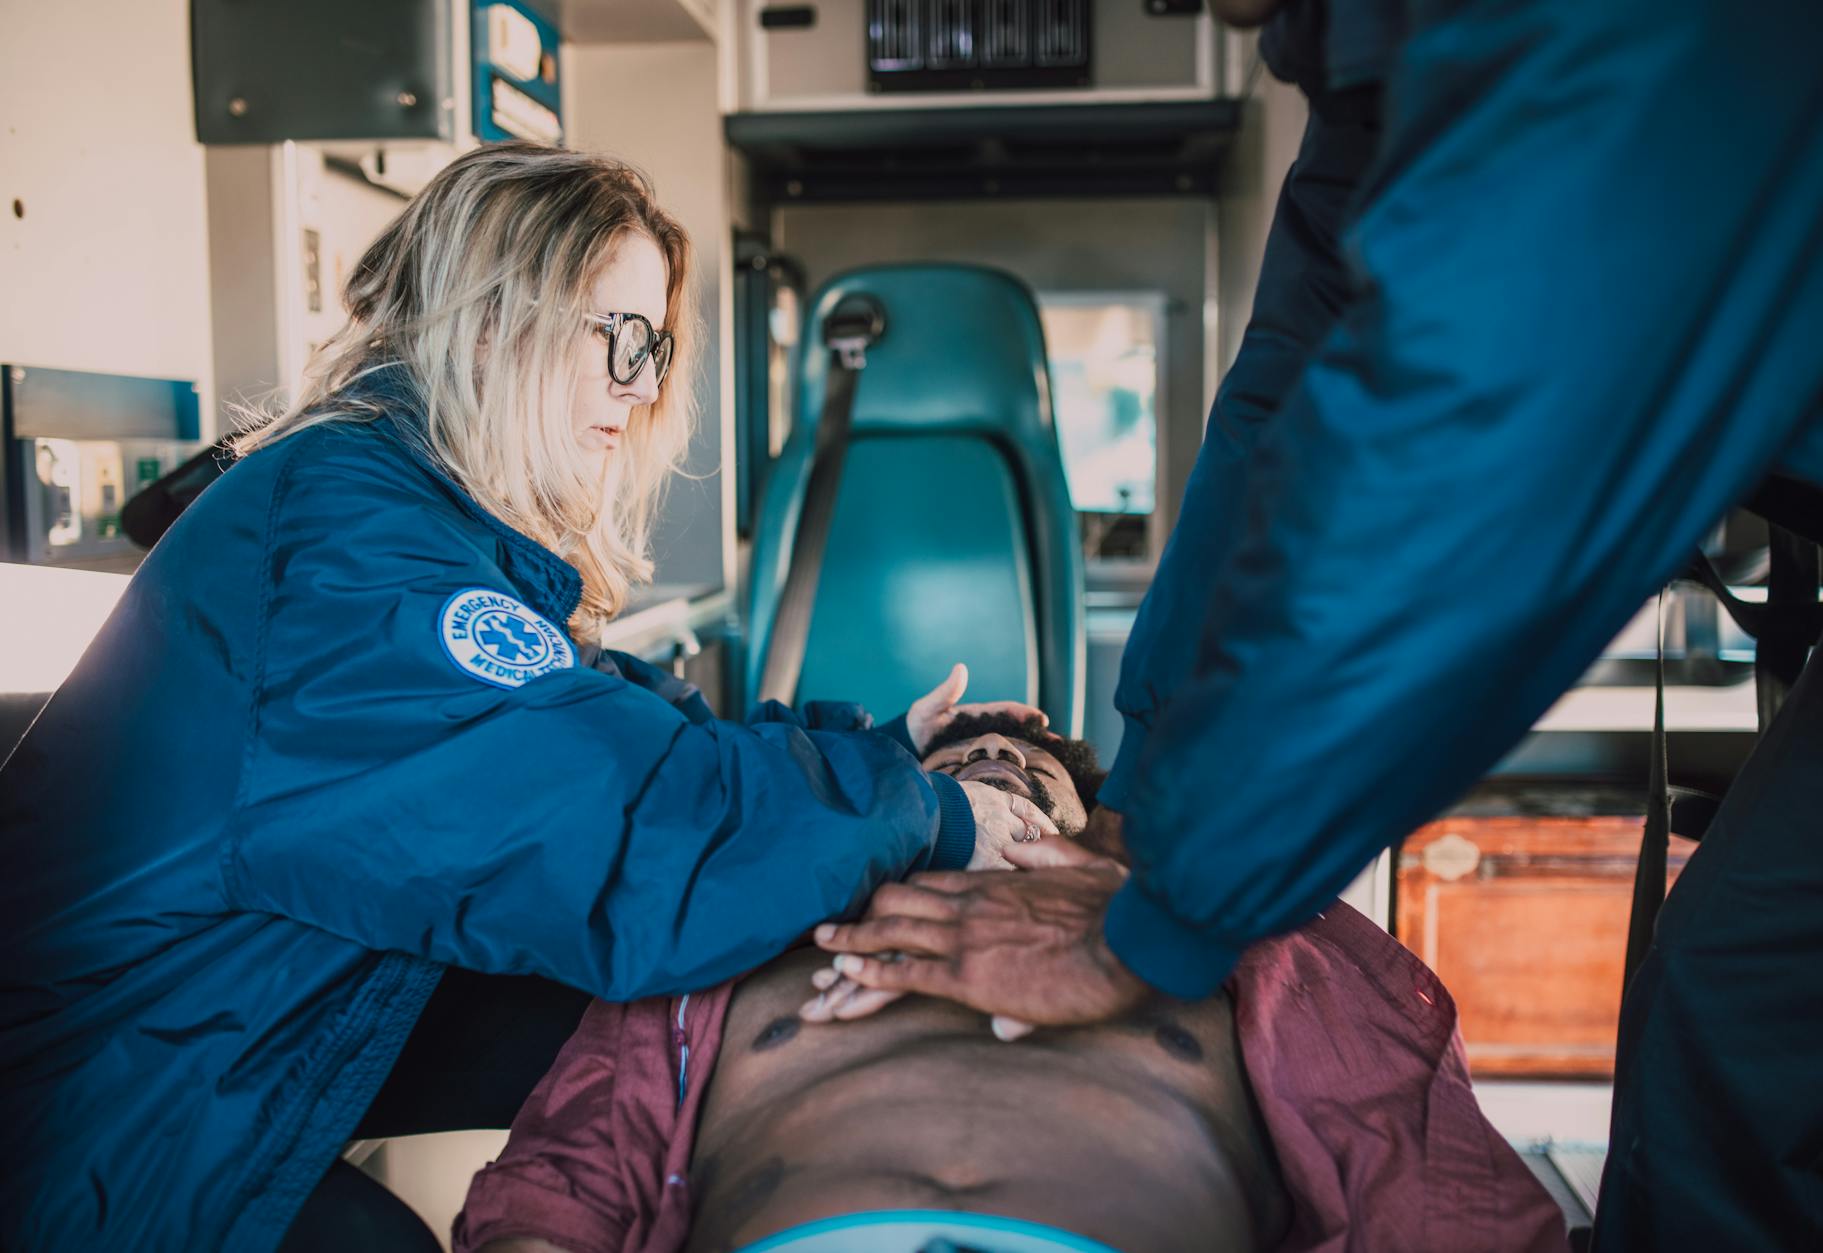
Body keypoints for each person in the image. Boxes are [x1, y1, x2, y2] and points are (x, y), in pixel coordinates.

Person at [811, 2, 1823, 1247]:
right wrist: (1145, 799)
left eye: (1023, 759)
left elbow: (1459, 459)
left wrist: (1169, 917)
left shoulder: (1583, 31)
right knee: (1755, 1001)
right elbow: (1283, 402)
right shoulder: (1379, 73)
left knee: (1760, 1010)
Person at [0, 143, 1058, 1252]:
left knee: (662, 1004)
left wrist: (877, 748)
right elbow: (612, 814)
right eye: (624, 341)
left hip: (204, 1017)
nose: (643, 388)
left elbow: (611, 725)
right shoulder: (352, 546)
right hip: (95, 1115)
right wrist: (923, 812)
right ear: (499, 318)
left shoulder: (402, 505)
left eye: (655, 350)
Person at [453, 714, 1568, 1253]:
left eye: (1031, 774)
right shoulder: (737, 932)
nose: (998, 766)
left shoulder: (1243, 943)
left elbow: (1425, 1181)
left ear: (1098, 833)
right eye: (960, 771)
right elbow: (566, 1175)